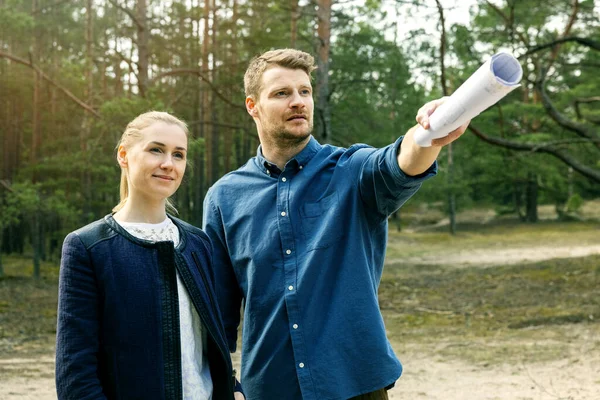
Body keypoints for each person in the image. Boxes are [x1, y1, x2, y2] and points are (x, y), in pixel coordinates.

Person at [202, 49, 469, 400]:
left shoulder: (351, 169)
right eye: (282, 93)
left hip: (355, 382)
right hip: (270, 387)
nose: (298, 101)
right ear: (253, 106)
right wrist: (221, 386)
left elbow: (400, 162)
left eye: (304, 91)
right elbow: (217, 313)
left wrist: (430, 133)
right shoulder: (224, 198)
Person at [56, 111, 244, 400]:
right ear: (123, 155)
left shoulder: (198, 243)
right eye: (156, 150)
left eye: (178, 154)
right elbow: (75, 374)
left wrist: (234, 389)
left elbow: (207, 345)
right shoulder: (87, 247)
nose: (168, 164)